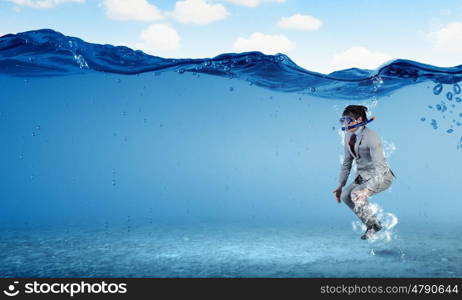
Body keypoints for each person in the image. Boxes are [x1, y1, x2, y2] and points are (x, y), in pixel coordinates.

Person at [332, 105, 396, 240]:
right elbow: (347, 162)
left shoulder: (372, 137)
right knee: (345, 196)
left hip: (381, 176)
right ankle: (373, 224)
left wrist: (366, 191)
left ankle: (373, 225)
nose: (345, 124)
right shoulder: (348, 136)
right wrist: (340, 185)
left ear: (359, 119)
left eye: (348, 120)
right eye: (342, 121)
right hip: (363, 176)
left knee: (356, 195)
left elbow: (380, 168)